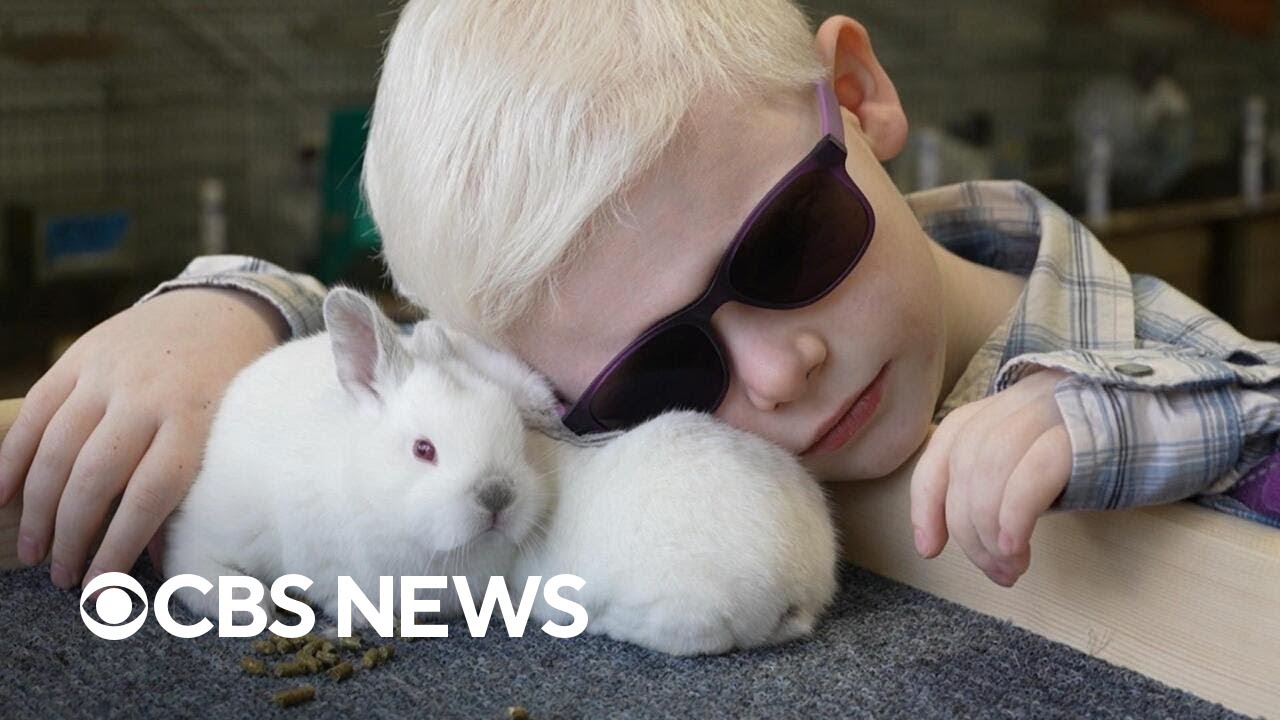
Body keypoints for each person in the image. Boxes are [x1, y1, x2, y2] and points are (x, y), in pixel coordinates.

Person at [2, 0, 1278, 598]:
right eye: (659, 375)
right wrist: (216, 312)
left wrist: (1095, 419)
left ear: (857, 92)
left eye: (786, 246)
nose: (775, 375)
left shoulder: (1105, 331)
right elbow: (406, 366)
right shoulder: (565, 348)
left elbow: (1255, 402)